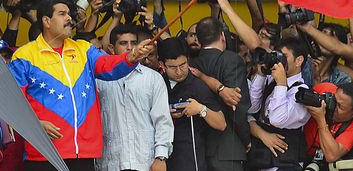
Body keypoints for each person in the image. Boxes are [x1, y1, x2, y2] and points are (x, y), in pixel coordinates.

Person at [8, 0, 153, 171]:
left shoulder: (83, 49)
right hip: (44, 152)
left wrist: (133, 56)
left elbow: (109, 67)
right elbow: (12, 102)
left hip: (84, 152)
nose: (69, 18)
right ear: (46, 21)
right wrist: (36, 124)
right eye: (62, 14)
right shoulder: (24, 56)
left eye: (69, 14)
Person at [96, 24, 173, 171]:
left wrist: (161, 157)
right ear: (111, 48)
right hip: (110, 163)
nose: (130, 47)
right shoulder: (99, 79)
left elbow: (162, 120)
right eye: (124, 43)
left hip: (146, 163)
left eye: (133, 43)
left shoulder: (153, 78)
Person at [191, 17, 251, 171]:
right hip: (227, 148)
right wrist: (245, 138)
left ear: (198, 40)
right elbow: (237, 106)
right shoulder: (231, 60)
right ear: (223, 36)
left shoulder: (191, 64)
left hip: (196, 148)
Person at [158, 37, 226, 171]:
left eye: (182, 65)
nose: (179, 71)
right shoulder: (156, 83)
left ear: (188, 60)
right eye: (172, 67)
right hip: (160, 157)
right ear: (161, 64)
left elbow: (221, 123)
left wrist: (201, 109)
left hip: (189, 157)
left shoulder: (197, 86)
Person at [247, 38, 310, 171]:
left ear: (299, 60)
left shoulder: (302, 92)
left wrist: (281, 84)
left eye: (284, 56)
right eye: (276, 56)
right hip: (260, 161)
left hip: (285, 164)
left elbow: (277, 119)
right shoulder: (271, 80)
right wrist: (261, 74)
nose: (278, 60)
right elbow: (251, 107)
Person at [303, 82, 353, 170]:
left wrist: (321, 121)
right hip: (295, 147)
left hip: (320, 163)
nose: (333, 105)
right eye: (334, 99)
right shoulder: (325, 88)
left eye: (340, 106)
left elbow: (332, 155)